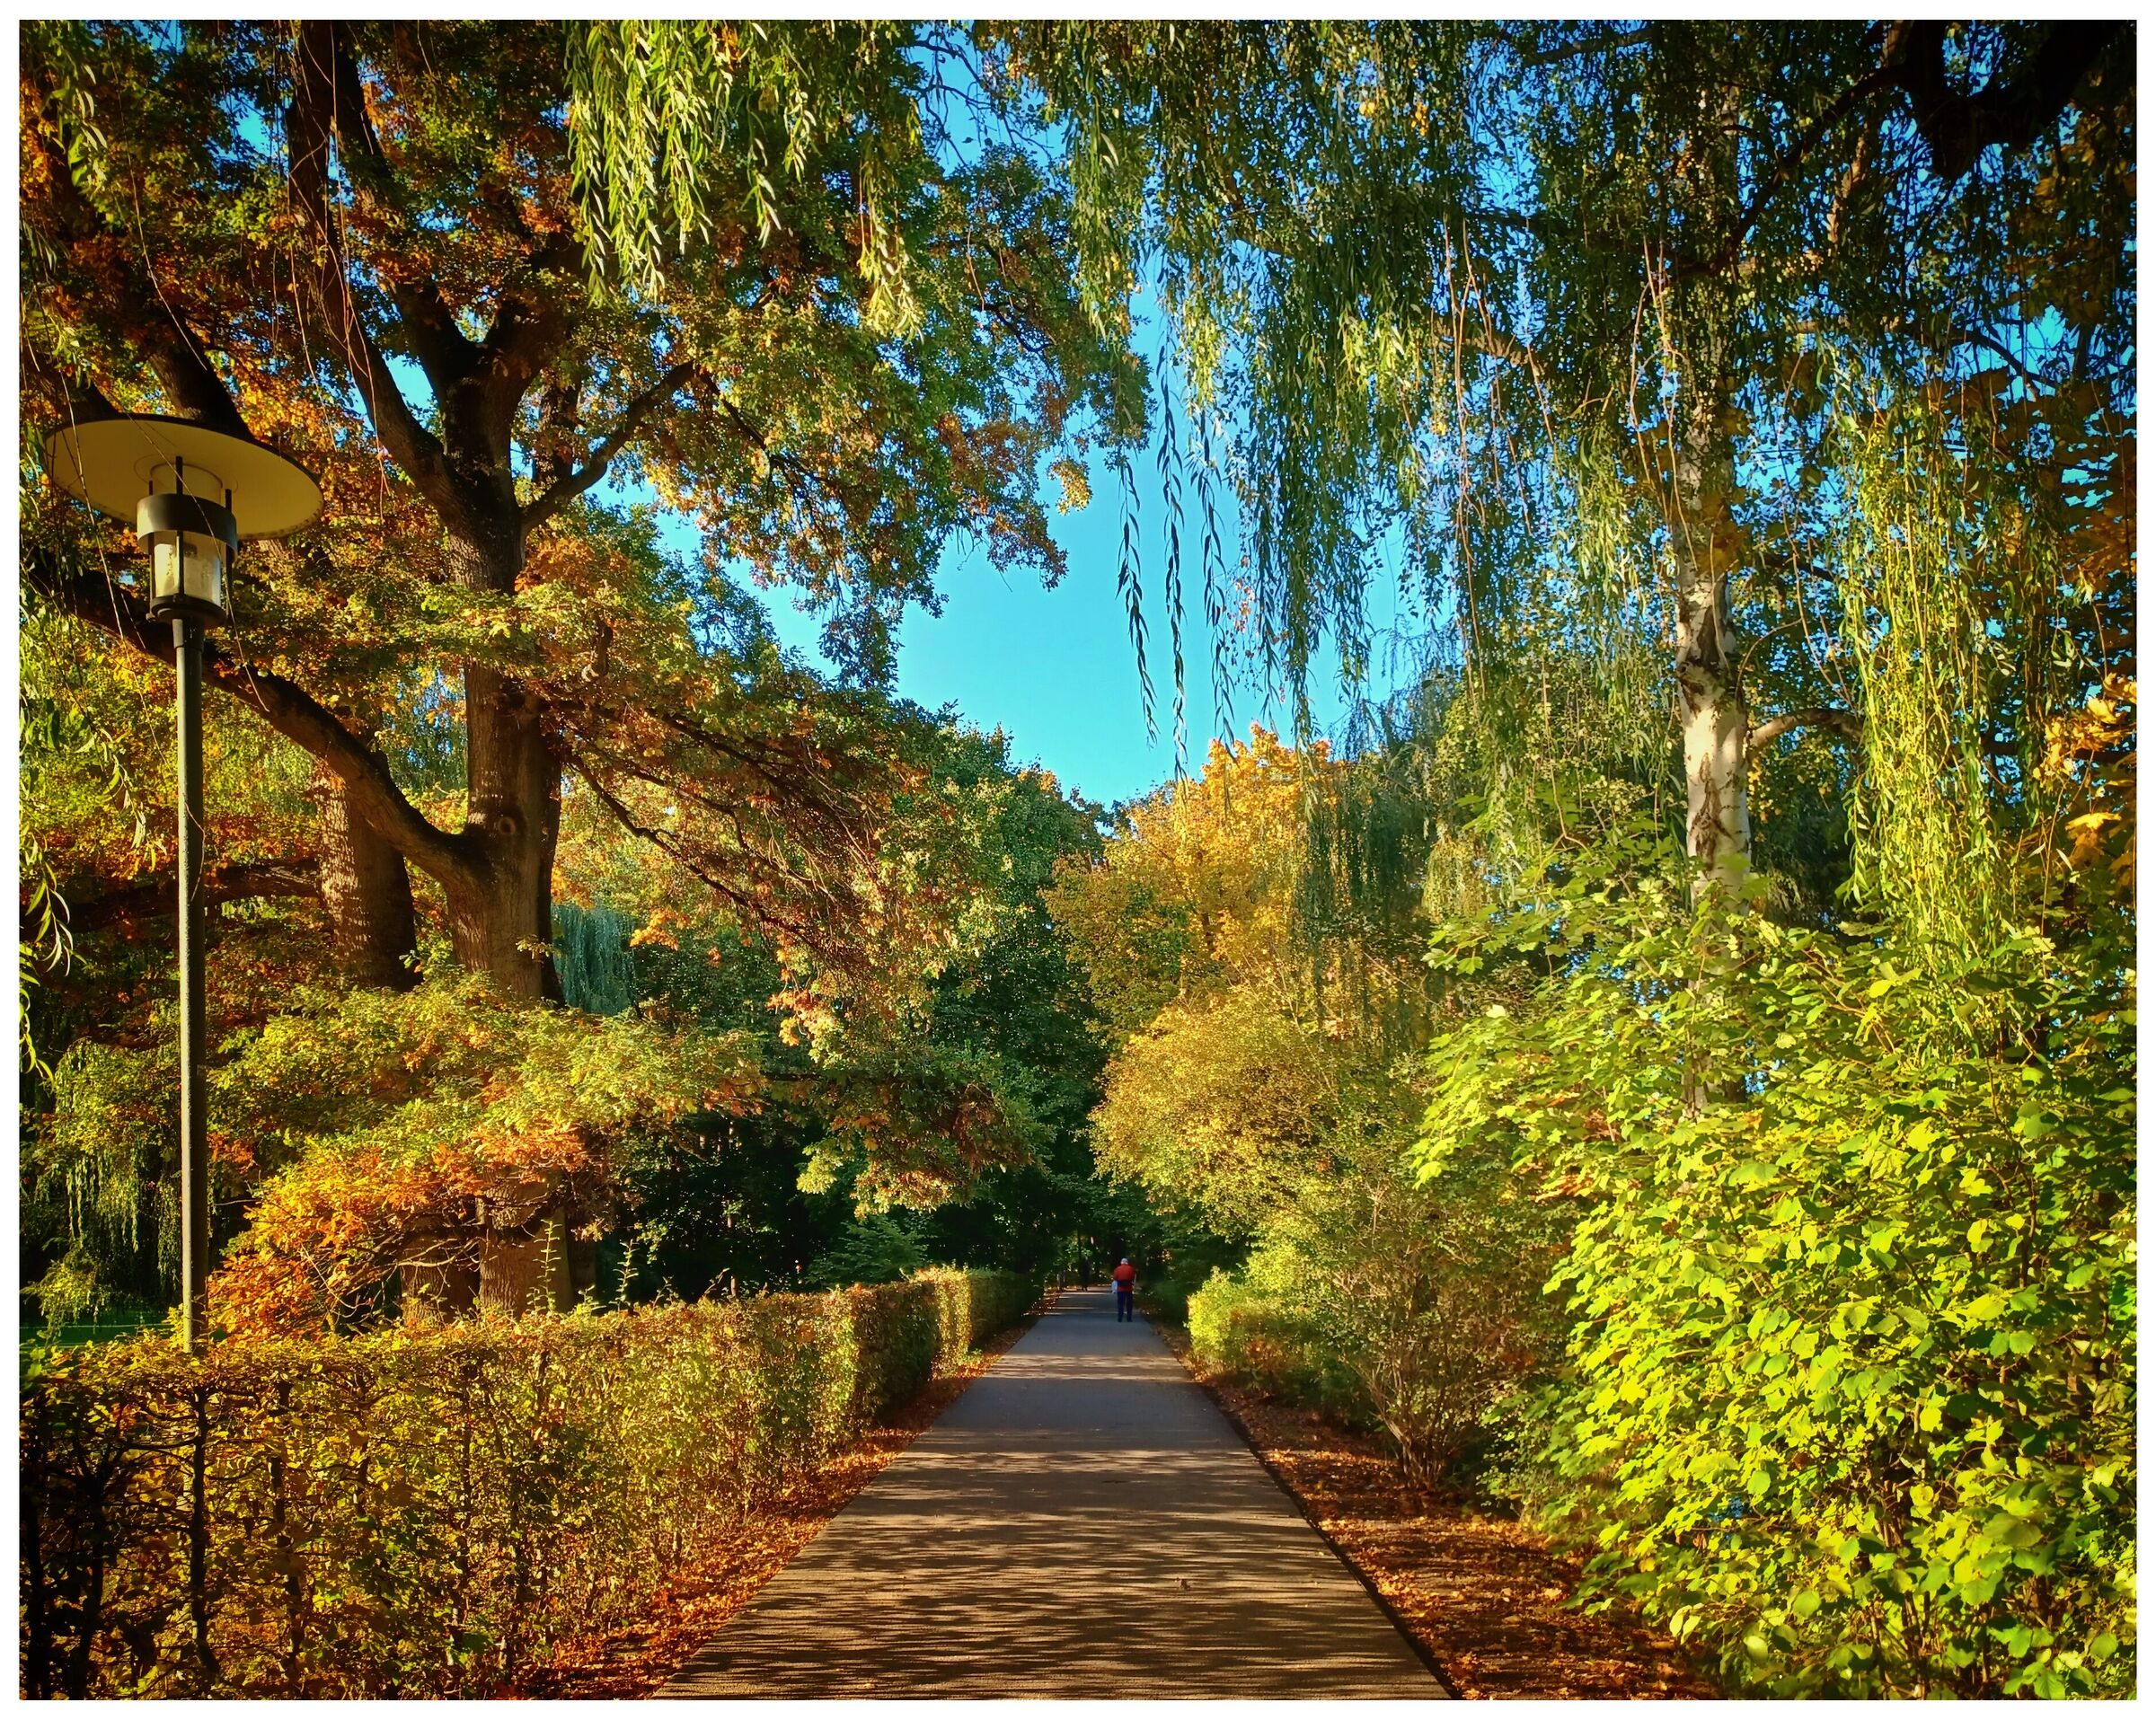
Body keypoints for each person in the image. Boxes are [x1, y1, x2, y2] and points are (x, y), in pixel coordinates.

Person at [1112, 1257, 1136, 1322]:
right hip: (1129, 1288)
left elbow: (1115, 1278)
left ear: (1121, 1262)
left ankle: (1120, 1318)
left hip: (1120, 1289)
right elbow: (1132, 1277)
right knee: (1129, 1304)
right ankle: (1129, 1318)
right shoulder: (1131, 1269)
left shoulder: (1117, 1269)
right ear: (1127, 1262)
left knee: (1120, 1303)